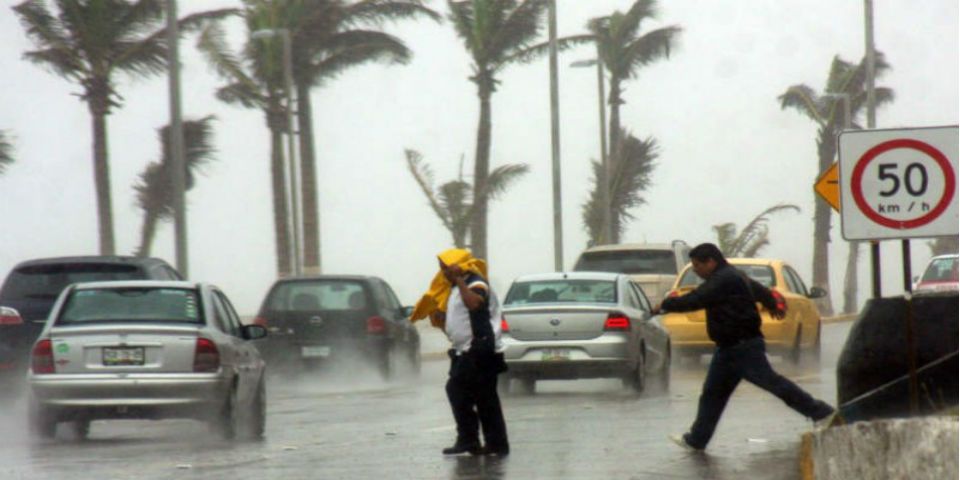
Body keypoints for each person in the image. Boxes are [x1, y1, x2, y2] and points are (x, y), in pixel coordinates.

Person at [656, 243, 835, 451]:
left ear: (711, 262)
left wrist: (665, 305)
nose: (695, 270)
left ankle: (822, 413)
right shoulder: (733, 275)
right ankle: (697, 439)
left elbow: (697, 299)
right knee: (712, 394)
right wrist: (770, 302)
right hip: (729, 348)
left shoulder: (724, 279)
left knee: (773, 383)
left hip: (742, 347)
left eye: (697, 265)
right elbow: (759, 290)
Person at [410, 249, 510, 456]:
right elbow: (458, 321)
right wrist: (440, 318)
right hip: (463, 351)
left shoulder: (475, 283)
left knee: (464, 392)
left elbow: (474, 303)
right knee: (476, 396)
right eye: (442, 269)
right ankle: (483, 442)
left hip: (480, 349)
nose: (443, 272)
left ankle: (478, 441)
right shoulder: (455, 288)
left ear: (458, 266)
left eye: (446, 268)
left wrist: (459, 281)